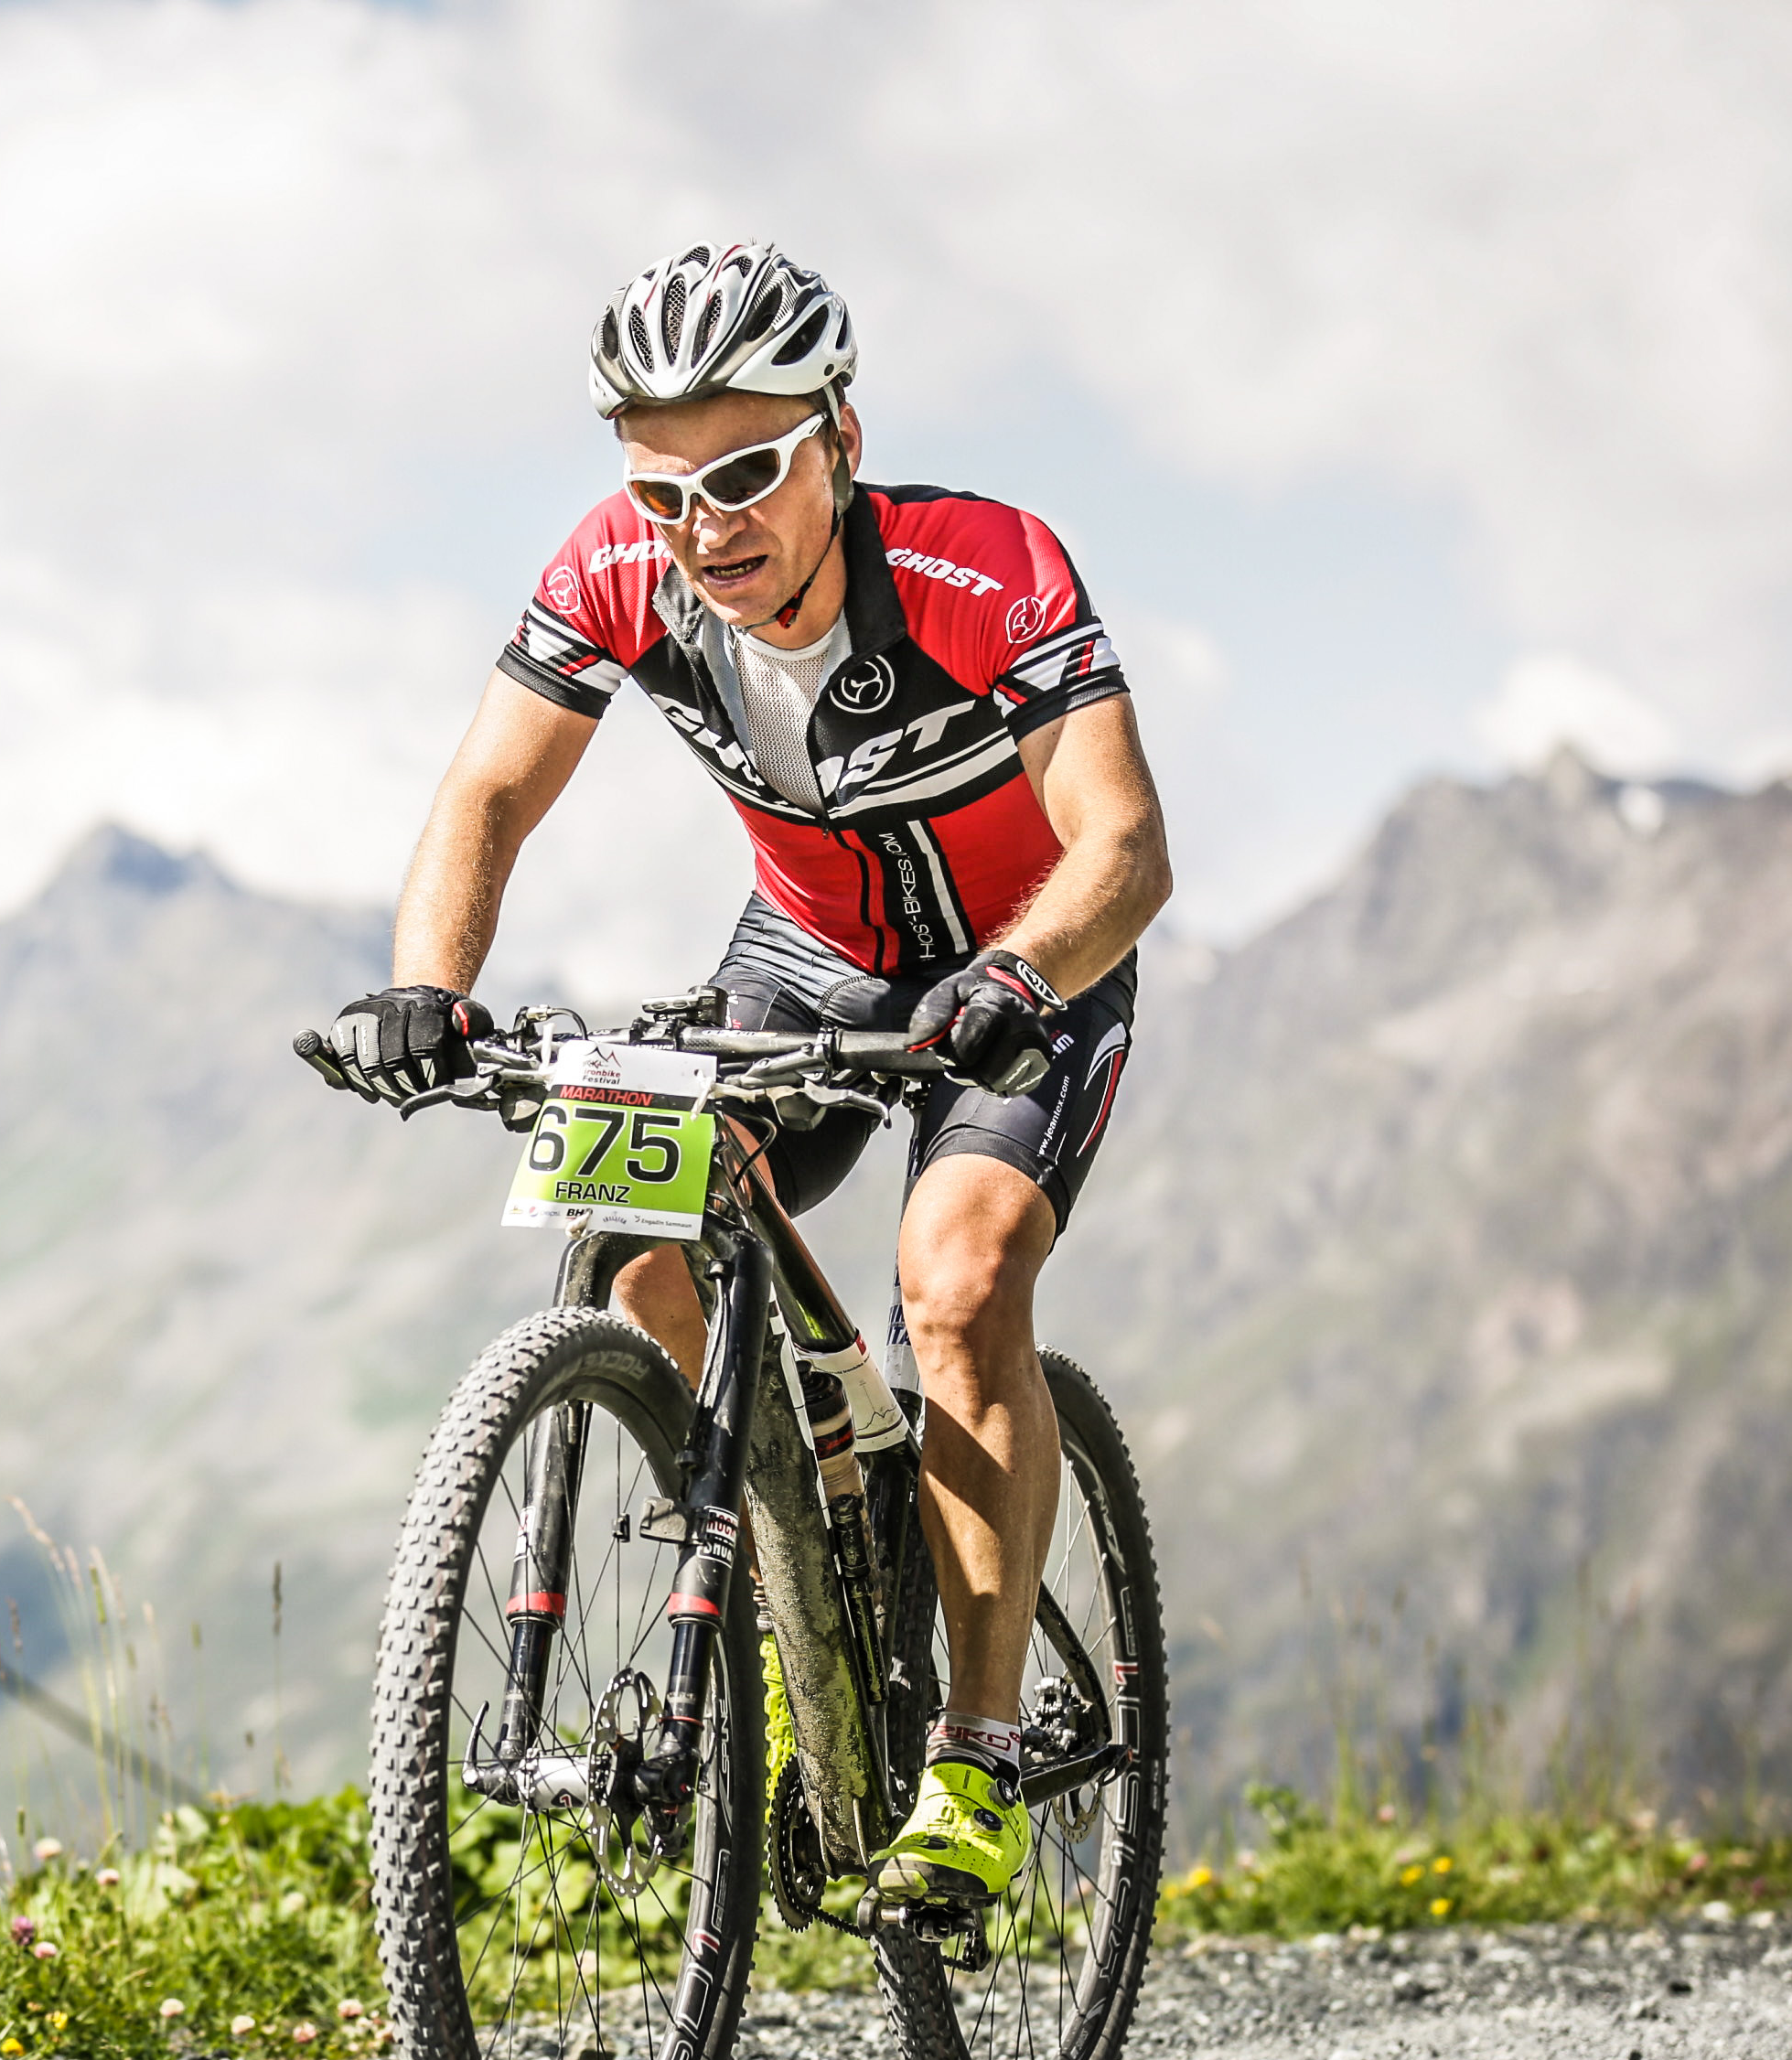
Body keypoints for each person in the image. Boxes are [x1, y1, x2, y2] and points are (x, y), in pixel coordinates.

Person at [304, 241, 1172, 1909]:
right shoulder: (615, 571)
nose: (707, 523)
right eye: (662, 486)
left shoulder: (985, 572)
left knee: (959, 1271)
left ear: (840, 434)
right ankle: (816, 1511)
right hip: (804, 959)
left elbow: (1123, 844)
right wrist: (431, 986)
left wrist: (1017, 975)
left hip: (1024, 965)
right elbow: (486, 791)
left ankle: (977, 1766)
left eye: (750, 469)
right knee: (633, 1232)